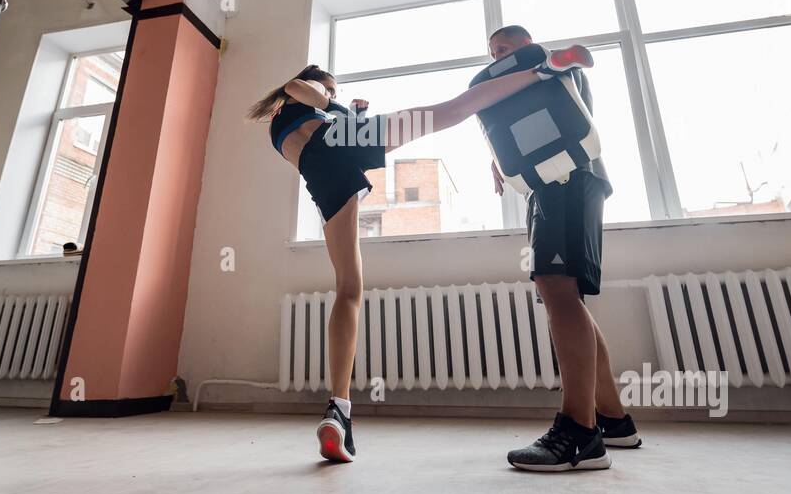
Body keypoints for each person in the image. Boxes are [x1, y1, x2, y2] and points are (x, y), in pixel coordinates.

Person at [248, 44, 596, 462]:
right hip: (337, 145)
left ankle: (338, 408)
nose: (334, 94)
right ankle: (543, 71)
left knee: (348, 288)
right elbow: (296, 87)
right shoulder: (305, 97)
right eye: (331, 87)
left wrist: (346, 113)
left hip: (323, 177)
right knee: (447, 112)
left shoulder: (280, 127)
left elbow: (318, 136)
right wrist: (332, 105)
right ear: (316, 80)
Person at [481, 25, 642, 472]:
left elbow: (579, 59)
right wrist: (496, 161)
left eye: (507, 48)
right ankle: (613, 420)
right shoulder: (517, 88)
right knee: (565, 296)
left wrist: (556, 60)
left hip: (568, 179)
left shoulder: (550, 69)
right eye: (493, 52)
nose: (499, 57)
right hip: (548, 188)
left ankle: (579, 433)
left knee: (556, 290)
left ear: (530, 46)